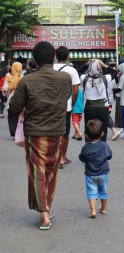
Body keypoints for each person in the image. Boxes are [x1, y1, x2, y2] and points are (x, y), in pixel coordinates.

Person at [9, 41, 71, 230]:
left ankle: (44, 213)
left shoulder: (28, 80)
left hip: (35, 132)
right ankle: (47, 206)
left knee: (37, 171)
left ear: (34, 59)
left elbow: (14, 107)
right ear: (53, 57)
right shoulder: (65, 78)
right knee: (51, 171)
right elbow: (67, 97)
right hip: (58, 131)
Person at [79, 119, 112, 219]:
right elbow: (109, 156)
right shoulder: (104, 145)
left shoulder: (86, 147)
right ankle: (103, 208)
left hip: (91, 174)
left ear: (87, 135)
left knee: (92, 192)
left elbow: (82, 158)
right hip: (103, 173)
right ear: (102, 134)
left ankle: (93, 210)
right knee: (103, 191)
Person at [53, 46, 79, 168]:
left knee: (53, 131)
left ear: (56, 56)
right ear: (68, 56)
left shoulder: (50, 68)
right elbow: (75, 91)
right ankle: (62, 157)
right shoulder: (72, 70)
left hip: (51, 106)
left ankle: (54, 157)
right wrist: (72, 103)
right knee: (65, 133)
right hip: (66, 106)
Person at [81, 59, 112, 142]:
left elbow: (78, 72)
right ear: (99, 67)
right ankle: (103, 148)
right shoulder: (106, 78)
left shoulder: (84, 78)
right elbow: (115, 72)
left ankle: (88, 148)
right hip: (103, 108)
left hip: (89, 108)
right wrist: (104, 65)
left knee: (88, 129)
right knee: (103, 130)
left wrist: (86, 64)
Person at [2, 62, 23, 138]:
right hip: (21, 98)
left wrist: (4, 92)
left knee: (11, 116)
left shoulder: (9, 76)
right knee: (19, 116)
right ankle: (19, 132)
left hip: (11, 98)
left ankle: (13, 132)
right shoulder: (22, 77)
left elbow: (5, 88)